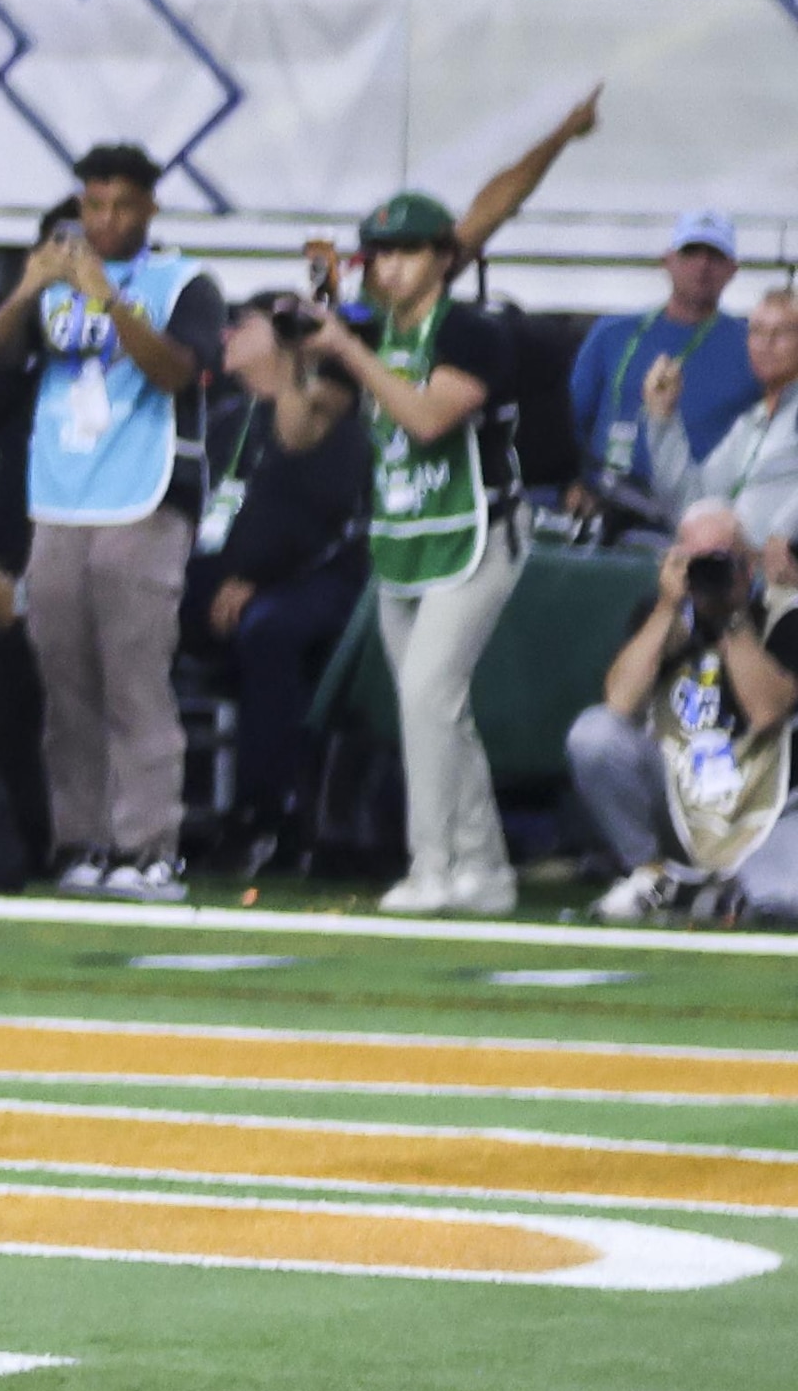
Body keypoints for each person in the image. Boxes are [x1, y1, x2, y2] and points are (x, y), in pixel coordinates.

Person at [0, 145, 222, 899]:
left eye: (120, 206)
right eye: (92, 205)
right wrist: (27, 291)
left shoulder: (183, 282)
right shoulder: (54, 281)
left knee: (134, 679)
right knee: (65, 682)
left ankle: (150, 848)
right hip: (60, 498)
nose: (104, 221)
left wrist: (108, 297)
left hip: (143, 497)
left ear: (149, 209)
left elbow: (179, 371)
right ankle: (80, 841)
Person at [298, 191, 532, 915]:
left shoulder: (471, 331)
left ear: (444, 258)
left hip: (478, 531)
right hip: (404, 536)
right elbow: (303, 427)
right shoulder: (367, 332)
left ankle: (431, 867)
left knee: (430, 693)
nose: (390, 269)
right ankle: (483, 867)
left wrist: (348, 350)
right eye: (380, 255)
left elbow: (428, 418)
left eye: (407, 253)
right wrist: (313, 337)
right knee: (432, 706)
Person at [197, 289, 373, 875]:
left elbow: (324, 517)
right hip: (222, 580)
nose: (226, 337)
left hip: (312, 583)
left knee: (268, 631)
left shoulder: (330, 414)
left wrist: (256, 578)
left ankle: (263, 814)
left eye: (241, 326)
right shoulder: (224, 419)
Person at [571, 509, 798, 924]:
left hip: (763, 807)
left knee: (784, 897)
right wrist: (666, 609)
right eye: (695, 560)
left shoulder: (783, 615)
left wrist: (732, 617)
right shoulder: (663, 615)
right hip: (680, 788)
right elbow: (618, 704)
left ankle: (710, 889)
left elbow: (767, 712)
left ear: (748, 563)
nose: (707, 572)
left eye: (720, 560)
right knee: (593, 734)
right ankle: (652, 874)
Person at [576, 216, 761, 530]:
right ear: (668, 261)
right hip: (603, 502)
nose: (702, 266)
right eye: (691, 253)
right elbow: (569, 418)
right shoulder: (613, 333)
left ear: (733, 270)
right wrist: (570, 487)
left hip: (698, 515)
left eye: (715, 256)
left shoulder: (754, 346)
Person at [645, 290, 798, 549]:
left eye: (782, 332)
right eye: (757, 331)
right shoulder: (750, 422)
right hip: (724, 571)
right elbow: (691, 500)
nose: (766, 343)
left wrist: (786, 531)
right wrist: (663, 419)